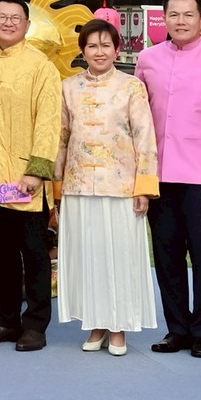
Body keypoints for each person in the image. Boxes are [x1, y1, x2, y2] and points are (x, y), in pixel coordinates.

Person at [135, 0, 201, 359]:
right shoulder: (147, 60)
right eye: (173, 15)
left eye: (188, 15)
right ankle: (176, 328)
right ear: (164, 18)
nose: (180, 21)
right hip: (159, 175)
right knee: (167, 256)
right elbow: (139, 119)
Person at [56, 19, 158, 355]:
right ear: (82, 51)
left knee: (120, 256)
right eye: (92, 46)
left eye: (105, 45)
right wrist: (56, 188)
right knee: (89, 257)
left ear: (117, 49)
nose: (99, 52)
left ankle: (119, 327)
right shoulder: (68, 87)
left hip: (121, 186)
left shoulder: (132, 87)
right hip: (79, 185)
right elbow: (61, 138)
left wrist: (143, 187)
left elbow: (145, 139)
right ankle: (96, 323)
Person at [0, 0, 62, 352]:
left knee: (34, 253)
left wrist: (37, 171)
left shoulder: (41, 66)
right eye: (2, 17)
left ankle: (35, 324)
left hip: (23, 178)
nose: (8, 23)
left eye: (15, 18)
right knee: (0, 251)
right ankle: (6, 319)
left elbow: (49, 122)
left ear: (26, 24)